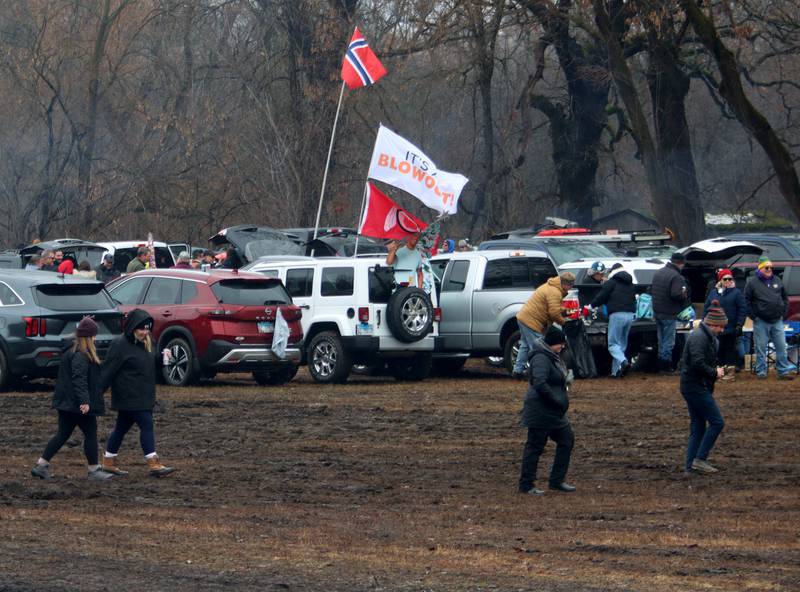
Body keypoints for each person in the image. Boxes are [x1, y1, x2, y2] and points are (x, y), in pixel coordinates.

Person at [31, 317, 115, 481]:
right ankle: (94, 470)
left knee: (62, 434)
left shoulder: (72, 351)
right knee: (91, 432)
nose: (96, 338)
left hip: (67, 403)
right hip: (76, 404)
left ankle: (41, 465)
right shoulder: (80, 355)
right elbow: (79, 378)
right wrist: (85, 401)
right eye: (94, 335)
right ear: (88, 337)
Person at [100, 309, 175, 477]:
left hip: (145, 394)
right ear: (132, 327)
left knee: (121, 428)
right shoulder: (119, 345)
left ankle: (108, 462)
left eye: (147, 329)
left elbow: (152, 364)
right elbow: (108, 371)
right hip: (128, 395)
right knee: (146, 425)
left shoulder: (149, 341)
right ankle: (153, 463)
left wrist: (163, 358)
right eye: (141, 329)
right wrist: (96, 393)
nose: (144, 332)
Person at [518, 326, 576, 495]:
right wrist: (556, 400)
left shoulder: (552, 357)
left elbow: (552, 379)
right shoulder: (541, 358)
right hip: (541, 411)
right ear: (552, 343)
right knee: (535, 447)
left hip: (554, 413)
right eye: (560, 344)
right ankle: (526, 485)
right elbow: (539, 383)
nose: (562, 347)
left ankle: (557, 480)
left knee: (567, 440)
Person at [679, 302, 728, 475]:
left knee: (698, 426)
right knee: (717, 422)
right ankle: (700, 459)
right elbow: (698, 363)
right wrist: (714, 373)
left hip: (693, 385)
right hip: (695, 387)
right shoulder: (699, 338)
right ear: (713, 324)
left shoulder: (704, 337)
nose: (722, 330)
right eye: (721, 327)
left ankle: (690, 466)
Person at [512, 272, 576, 379]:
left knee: (525, 345)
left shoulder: (552, 286)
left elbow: (551, 307)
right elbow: (554, 313)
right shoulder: (555, 291)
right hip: (532, 321)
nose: (570, 289)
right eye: (570, 285)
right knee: (539, 348)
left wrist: (564, 311)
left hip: (524, 317)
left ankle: (518, 371)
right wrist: (564, 323)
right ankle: (537, 372)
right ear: (566, 284)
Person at [744, 256, 794, 380]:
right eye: (766, 267)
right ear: (760, 268)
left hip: (777, 320)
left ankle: (783, 372)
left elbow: (785, 298)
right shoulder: (752, 283)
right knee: (760, 348)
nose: (769, 269)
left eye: (771, 267)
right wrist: (753, 316)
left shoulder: (777, 280)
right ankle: (761, 372)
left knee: (782, 346)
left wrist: (783, 312)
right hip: (760, 321)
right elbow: (746, 301)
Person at [590, 263, 637, 377]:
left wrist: (591, 306)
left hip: (616, 315)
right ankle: (615, 372)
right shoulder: (631, 284)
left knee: (613, 344)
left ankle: (624, 361)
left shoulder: (611, 283)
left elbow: (602, 296)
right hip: (630, 315)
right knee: (622, 344)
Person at [704, 268, 747, 377]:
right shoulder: (714, 292)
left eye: (730, 278)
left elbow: (742, 309)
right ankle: (719, 371)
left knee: (730, 349)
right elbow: (706, 308)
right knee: (717, 350)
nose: (728, 281)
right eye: (725, 279)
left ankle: (730, 372)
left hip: (730, 327)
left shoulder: (737, 293)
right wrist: (706, 323)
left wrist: (739, 324)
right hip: (715, 327)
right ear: (720, 280)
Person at [651, 251, 689, 373]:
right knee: (668, 341)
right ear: (680, 263)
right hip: (669, 313)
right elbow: (675, 294)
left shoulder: (658, 273)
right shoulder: (676, 276)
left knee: (661, 340)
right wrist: (683, 294)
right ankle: (666, 366)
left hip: (657, 312)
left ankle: (660, 364)